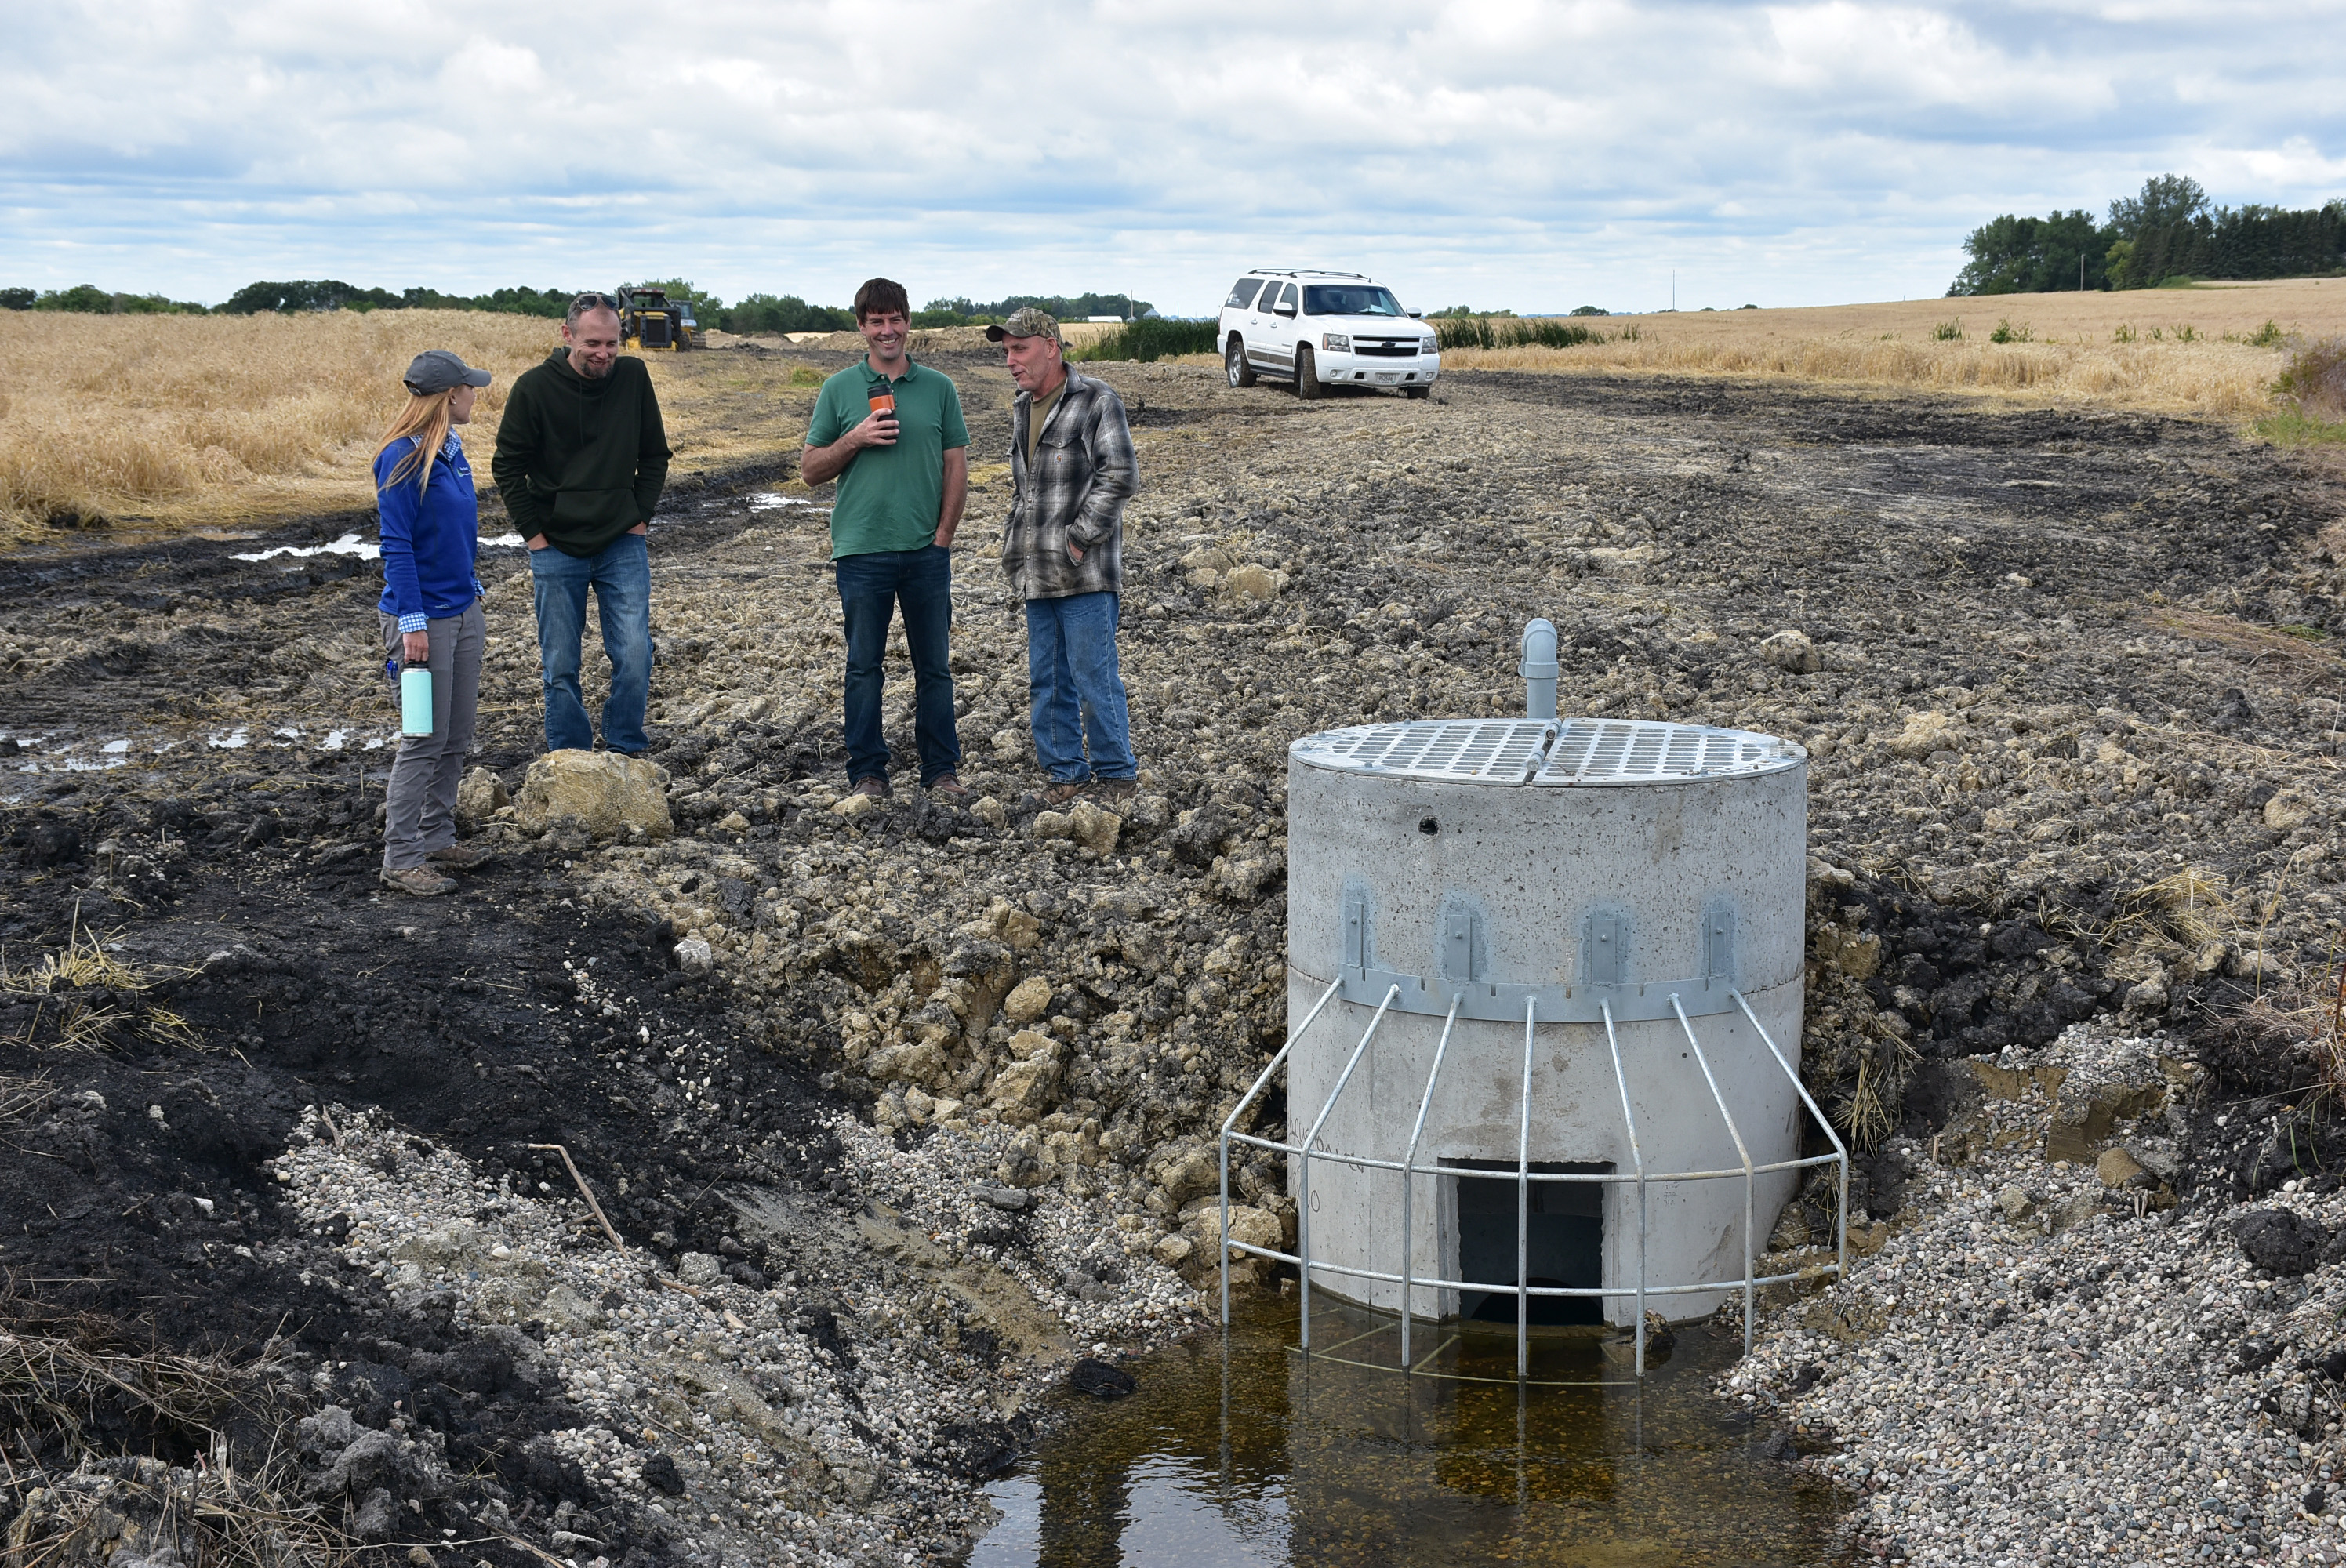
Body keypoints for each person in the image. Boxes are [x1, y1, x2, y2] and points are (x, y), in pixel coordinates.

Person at [801, 278, 970, 802]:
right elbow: (809, 469)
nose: (888, 329)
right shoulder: (837, 389)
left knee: (935, 668)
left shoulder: (939, 387)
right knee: (863, 667)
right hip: (861, 551)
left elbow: (956, 466)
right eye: (877, 321)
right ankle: (868, 774)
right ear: (862, 327)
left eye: (895, 319)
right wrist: (855, 438)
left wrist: (942, 538)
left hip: (925, 552)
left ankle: (941, 772)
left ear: (908, 322)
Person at [492, 292, 670, 756]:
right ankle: (569, 757)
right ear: (567, 334)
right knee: (560, 664)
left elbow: (654, 455)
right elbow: (508, 466)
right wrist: (535, 537)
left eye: (612, 344)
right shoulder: (533, 389)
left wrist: (640, 518)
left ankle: (626, 747)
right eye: (593, 343)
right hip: (556, 548)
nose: (604, 354)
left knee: (635, 654)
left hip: (621, 543)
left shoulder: (633, 377)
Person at [987, 307, 1141, 805]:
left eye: (1020, 348)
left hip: (1085, 571)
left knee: (1094, 673)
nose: (1011, 360)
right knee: (1047, 679)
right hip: (1036, 571)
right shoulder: (1022, 407)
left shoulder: (1097, 400)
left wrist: (1079, 537)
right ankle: (1064, 773)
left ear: (1050, 346)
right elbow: (1026, 491)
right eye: (1006, 351)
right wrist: (1015, 548)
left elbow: (1119, 475)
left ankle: (1117, 774)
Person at [373, 350, 494, 896]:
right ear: (450, 395)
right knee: (422, 737)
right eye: (470, 388)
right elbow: (396, 547)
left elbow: (452, 536)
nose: (476, 395)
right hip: (421, 621)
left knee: (456, 735)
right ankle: (400, 859)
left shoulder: (452, 451)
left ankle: (437, 834)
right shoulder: (400, 459)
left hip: (463, 611)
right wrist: (413, 623)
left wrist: (470, 591)